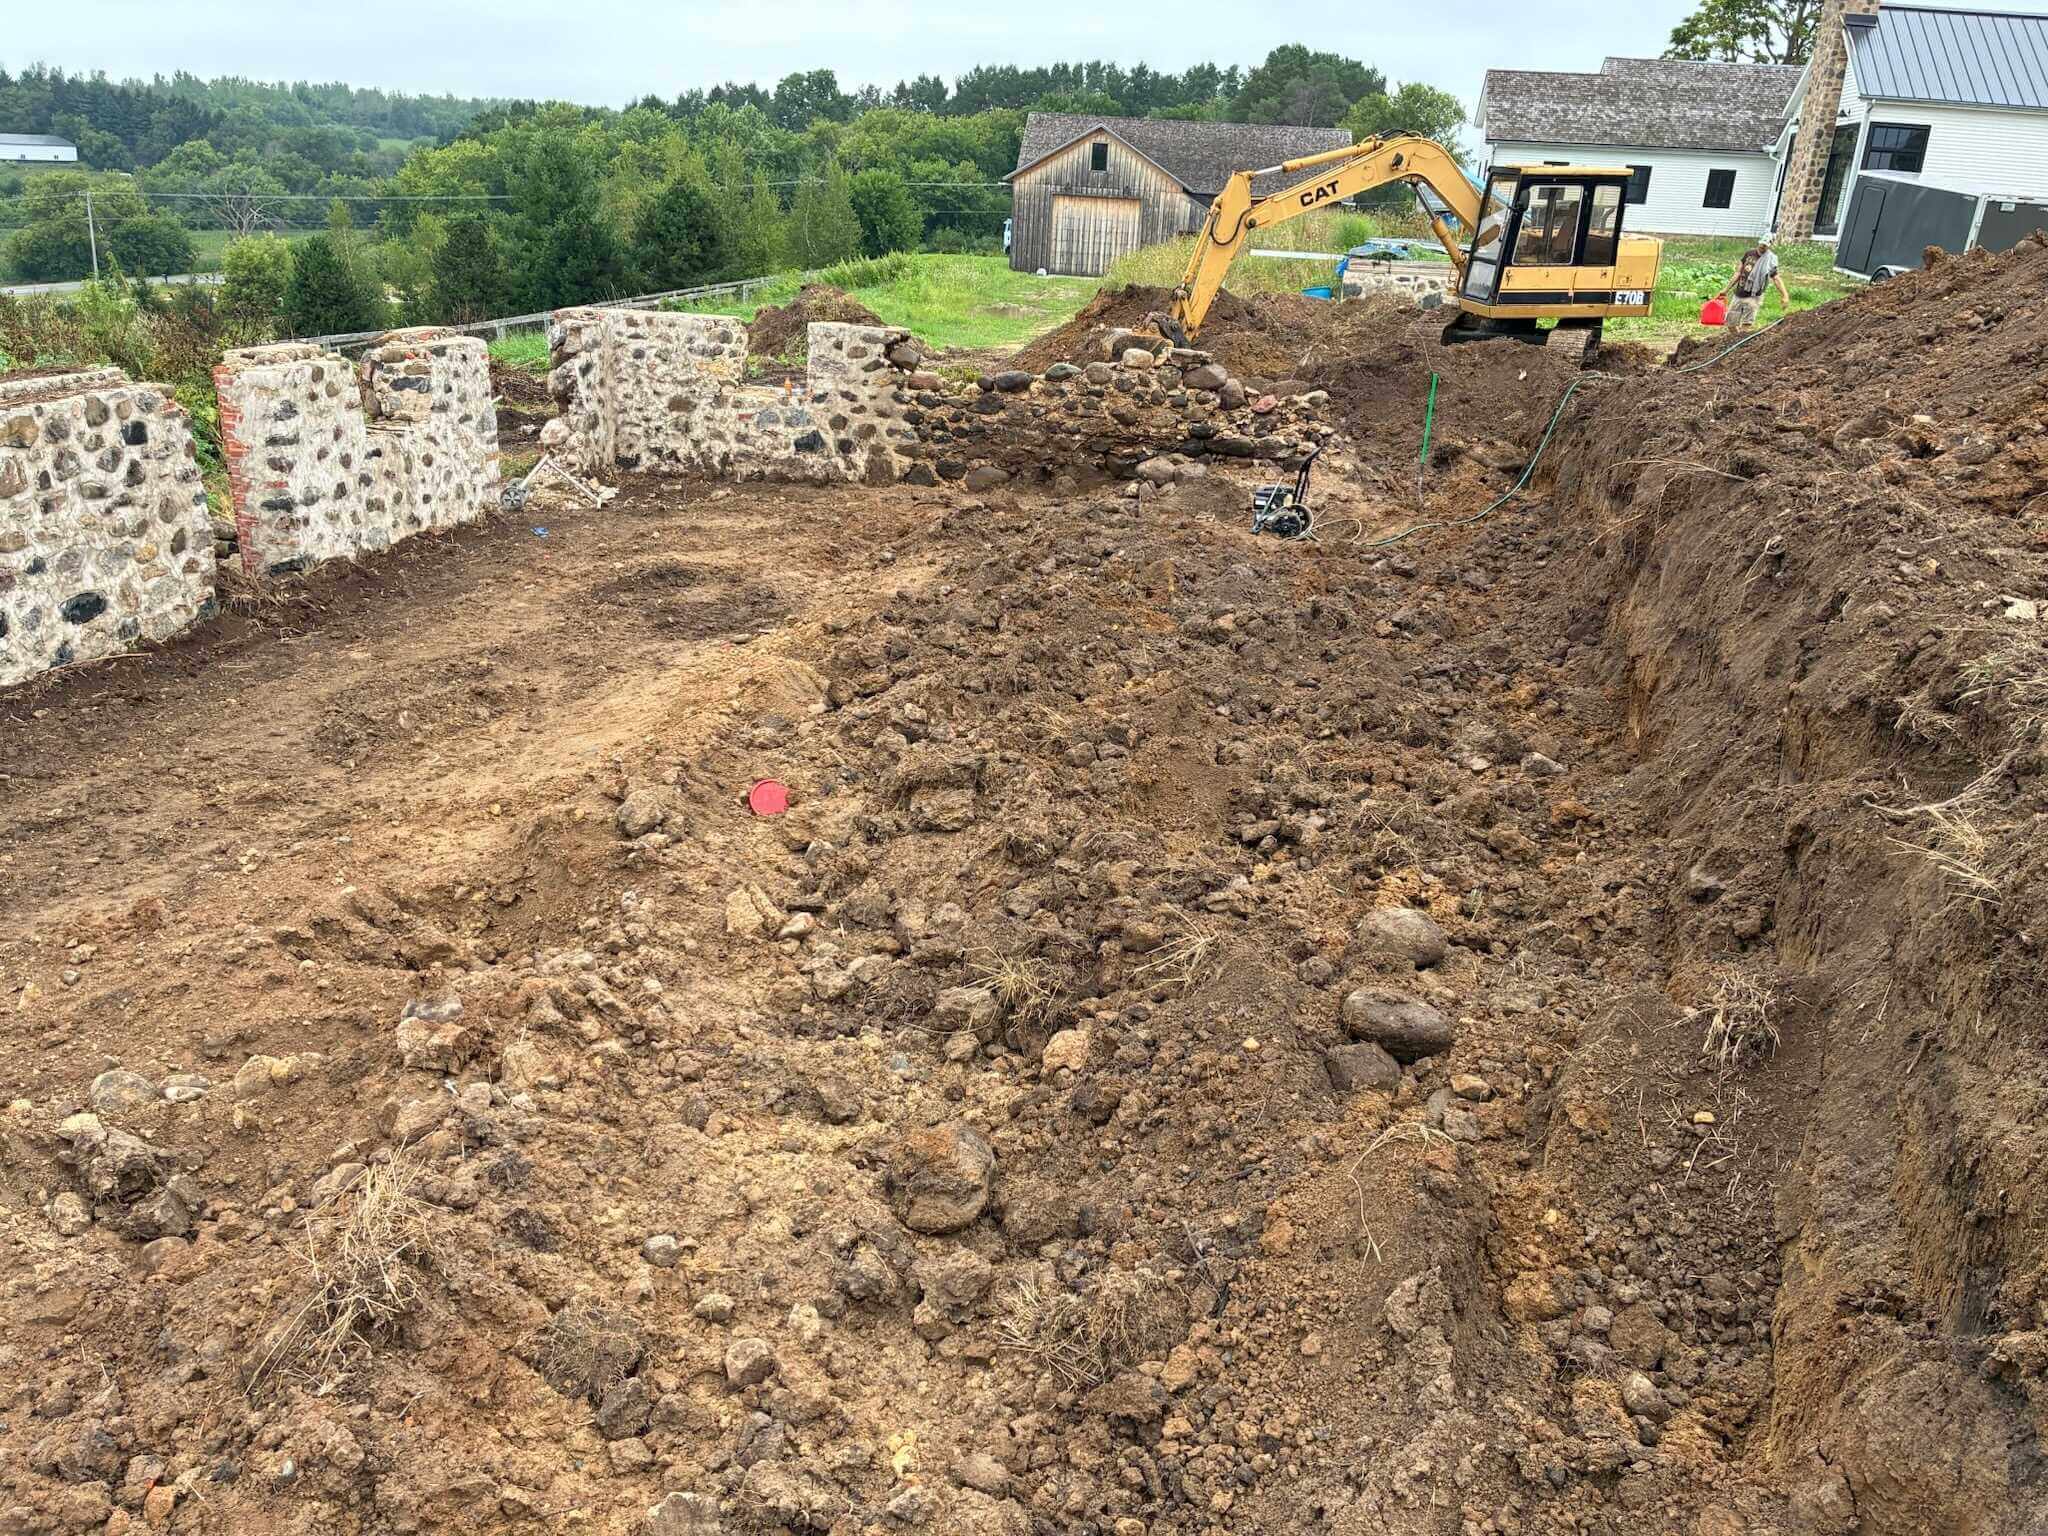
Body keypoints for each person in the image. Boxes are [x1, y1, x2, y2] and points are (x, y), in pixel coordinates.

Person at [1718, 235, 1792, 332]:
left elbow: (1776, 278)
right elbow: (1738, 273)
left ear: (1769, 245)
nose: (1762, 247)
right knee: (1731, 323)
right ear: (1759, 242)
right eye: (1761, 244)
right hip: (1739, 293)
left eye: (1765, 246)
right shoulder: (1749, 254)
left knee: (1746, 325)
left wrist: (1785, 295)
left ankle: (1741, 343)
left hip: (1754, 296)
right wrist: (1726, 290)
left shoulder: (1770, 260)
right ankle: (1735, 340)